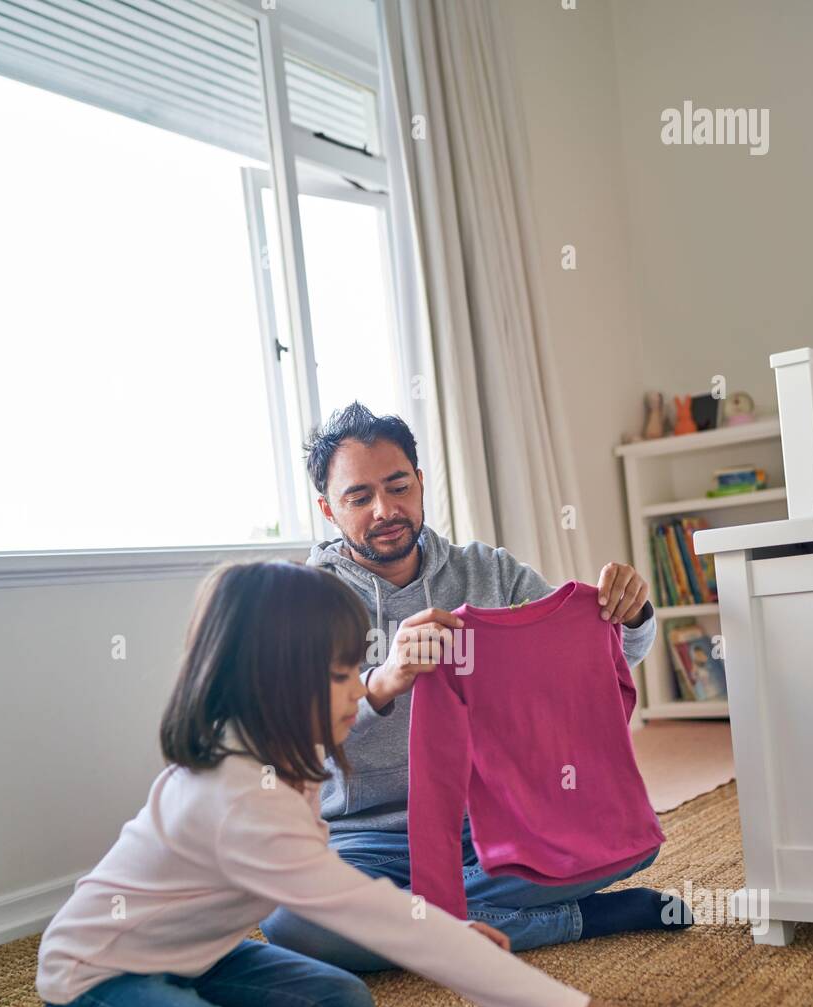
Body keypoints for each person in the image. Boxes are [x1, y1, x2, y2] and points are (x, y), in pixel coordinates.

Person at [23, 561, 698, 1007]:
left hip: (195, 957)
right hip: (100, 970)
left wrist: (447, 924)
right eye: (344, 675)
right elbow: (378, 916)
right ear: (275, 680)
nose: (363, 691)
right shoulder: (239, 797)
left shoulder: (280, 743)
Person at [262, 401, 692, 970]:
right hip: (369, 840)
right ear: (327, 509)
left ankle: (429, 921)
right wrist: (381, 682)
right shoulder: (301, 600)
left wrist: (631, 617)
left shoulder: (489, 571)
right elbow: (290, 732)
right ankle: (576, 918)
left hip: (504, 817)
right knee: (293, 920)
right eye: (359, 497)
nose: (385, 509)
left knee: (629, 842)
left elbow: (591, 667)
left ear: (420, 481)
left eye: (397, 486)